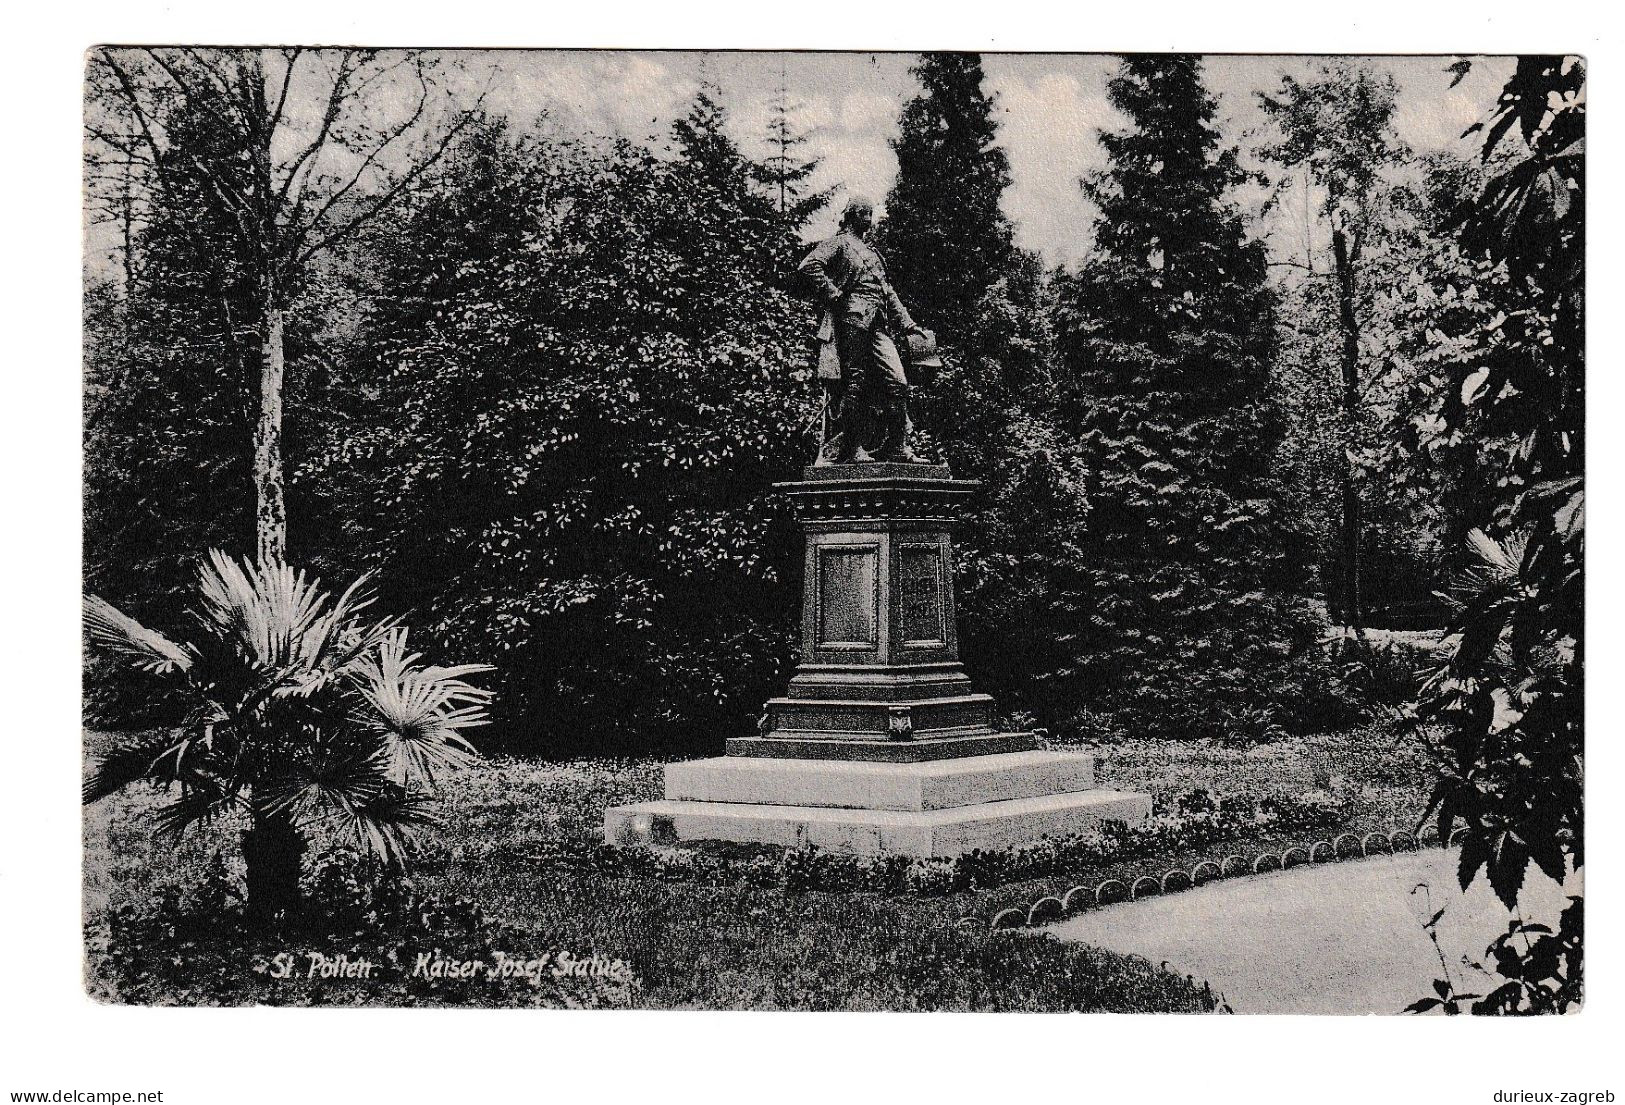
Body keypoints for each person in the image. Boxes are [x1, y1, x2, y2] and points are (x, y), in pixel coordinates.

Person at [798, 197, 930, 464]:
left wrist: (907, 323)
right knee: (855, 383)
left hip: (878, 323)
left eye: (871, 213)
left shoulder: (872, 253)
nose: (869, 219)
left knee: (898, 382)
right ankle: (852, 447)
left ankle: (897, 448)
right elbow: (809, 266)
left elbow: (887, 291)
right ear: (851, 216)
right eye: (863, 213)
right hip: (852, 321)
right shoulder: (839, 243)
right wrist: (833, 294)